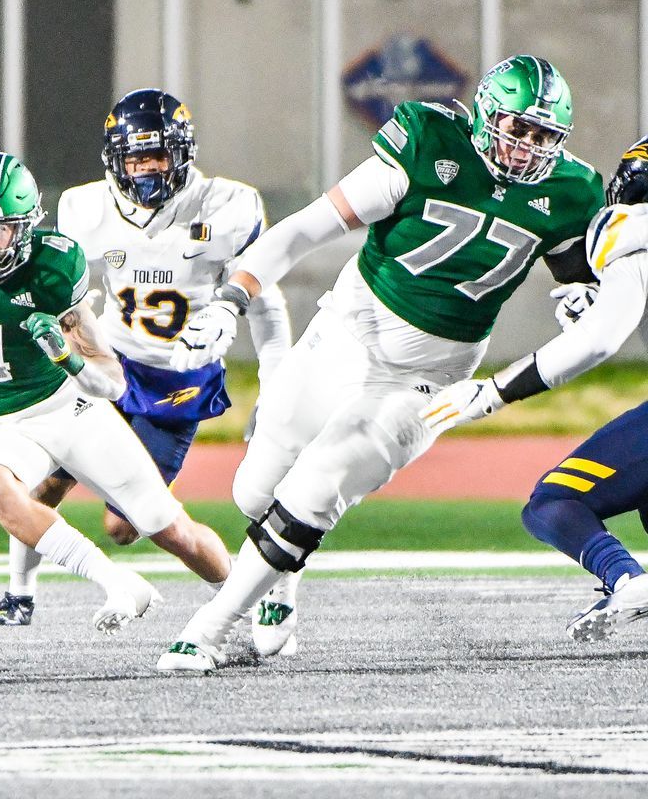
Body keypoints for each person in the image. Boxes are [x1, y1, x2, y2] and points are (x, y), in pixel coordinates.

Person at [155, 54, 605, 672]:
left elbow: (573, 271)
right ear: (483, 116)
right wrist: (234, 298)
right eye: (516, 128)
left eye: (542, 136)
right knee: (254, 488)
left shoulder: (572, 190)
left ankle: (207, 630)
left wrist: (584, 297)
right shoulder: (426, 142)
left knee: (319, 483)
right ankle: (280, 582)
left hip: (431, 375)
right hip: (347, 331)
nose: (526, 148)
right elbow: (304, 231)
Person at [0, 150, 232, 633]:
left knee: (170, 529)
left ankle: (244, 601)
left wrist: (67, 355)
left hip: (71, 410)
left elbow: (112, 380)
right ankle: (116, 582)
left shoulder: (53, 267)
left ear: (23, 229)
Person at [0, 90, 293, 637]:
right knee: (42, 486)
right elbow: (52, 283)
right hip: (107, 368)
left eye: (157, 157)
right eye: (134, 159)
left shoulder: (227, 206)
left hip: (177, 379)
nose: (146, 170)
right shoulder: (87, 208)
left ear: (183, 154)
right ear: (114, 160)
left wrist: (277, 382)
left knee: (124, 527)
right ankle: (19, 594)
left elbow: (264, 300)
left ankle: (249, 596)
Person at [423, 137, 648, 642]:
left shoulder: (629, 227)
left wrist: (492, 393)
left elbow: (600, 339)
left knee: (551, 502)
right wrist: (600, 295)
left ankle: (627, 579)